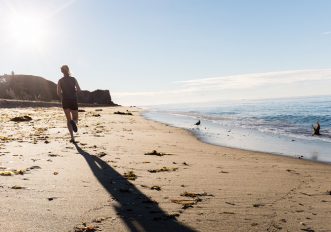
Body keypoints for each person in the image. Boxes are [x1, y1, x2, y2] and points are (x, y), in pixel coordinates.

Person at [57, 65, 81, 143]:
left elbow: (58, 92)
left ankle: (72, 137)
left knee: (68, 120)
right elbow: (79, 89)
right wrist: (74, 92)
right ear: (68, 70)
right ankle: (73, 123)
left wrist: (62, 98)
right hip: (73, 100)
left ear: (62, 71)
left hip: (65, 101)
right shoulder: (73, 79)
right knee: (75, 119)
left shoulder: (60, 81)